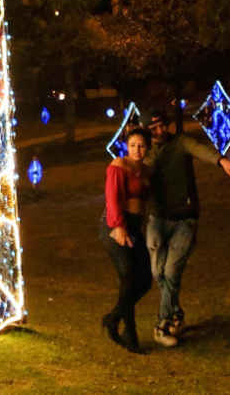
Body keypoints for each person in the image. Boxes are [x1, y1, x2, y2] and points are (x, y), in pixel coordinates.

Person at [145, 111, 230, 347]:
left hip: (184, 219)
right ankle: (177, 312)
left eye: (162, 126)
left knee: (170, 273)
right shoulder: (145, 152)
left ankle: (162, 325)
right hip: (156, 219)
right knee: (158, 274)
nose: (159, 132)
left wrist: (222, 161)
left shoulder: (181, 143)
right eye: (153, 129)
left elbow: (200, 149)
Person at [99, 128, 152, 354]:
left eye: (141, 145)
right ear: (126, 147)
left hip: (135, 227)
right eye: (132, 145)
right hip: (115, 225)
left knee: (146, 280)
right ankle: (130, 335)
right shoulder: (119, 166)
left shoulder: (147, 170)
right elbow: (112, 198)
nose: (137, 150)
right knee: (129, 277)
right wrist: (118, 226)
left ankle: (113, 318)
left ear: (147, 147)